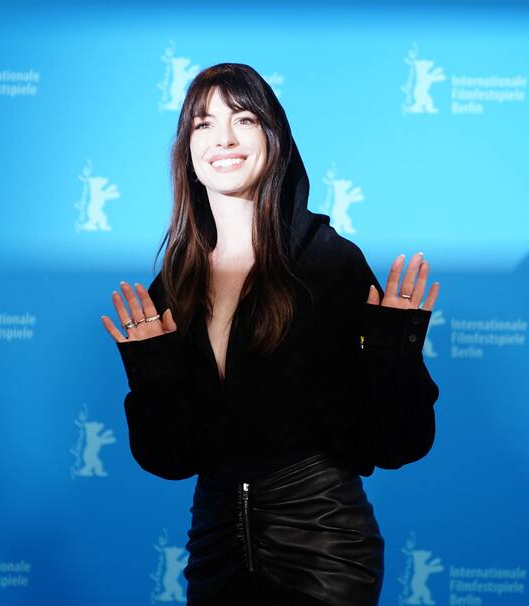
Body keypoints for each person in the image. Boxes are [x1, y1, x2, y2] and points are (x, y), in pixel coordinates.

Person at [99, 63, 440, 606]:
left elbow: (398, 445)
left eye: (244, 119)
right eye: (203, 125)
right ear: (187, 149)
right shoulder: (175, 281)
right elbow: (170, 459)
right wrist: (153, 375)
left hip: (324, 545)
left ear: (273, 138)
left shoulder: (331, 263)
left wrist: (393, 351)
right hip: (215, 547)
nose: (224, 139)